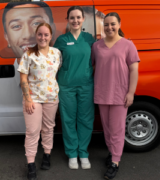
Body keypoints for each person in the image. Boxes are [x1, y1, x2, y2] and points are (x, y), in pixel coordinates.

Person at [0, 1, 57, 134]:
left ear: (51, 30)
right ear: (7, 37)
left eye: (36, 23)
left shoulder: (60, 64)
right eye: (17, 26)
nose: (29, 34)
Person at [92, 12, 140, 179]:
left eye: (112, 24)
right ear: (103, 27)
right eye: (106, 25)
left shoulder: (128, 45)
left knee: (117, 129)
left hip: (120, 94)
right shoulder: (96, 46)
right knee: (107, 128)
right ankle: (112, 153)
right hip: (102, 93)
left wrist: (131, 92)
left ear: (119, 24)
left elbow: (134, 70)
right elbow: (91, 67)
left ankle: (115, 162)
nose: (109, 27)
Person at [18, 23, 62, 180]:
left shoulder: (56, 53)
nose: (43, 37)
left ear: (51, 36)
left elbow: (55, 74)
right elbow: (23, 77)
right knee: (32, 131)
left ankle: (47, 155)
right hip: (33, 99)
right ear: (36, 36)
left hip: (51, 98)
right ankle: (30, 163)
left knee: (48, 128)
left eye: (46, 34)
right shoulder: (29, 54)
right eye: (40, 34)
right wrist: (28, 98)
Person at [54, 6, 95, 170]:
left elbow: (105, 52)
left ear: (83, 19)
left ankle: (83, 153)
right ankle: (72, 153)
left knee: (85, 120)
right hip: (66, 86)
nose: (75, 20)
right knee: (68, 120)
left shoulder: (89, 38)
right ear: (68, 20)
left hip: (86, 85)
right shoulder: (61, 40)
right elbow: (50, 60)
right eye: (72, 17)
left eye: (78, 17)